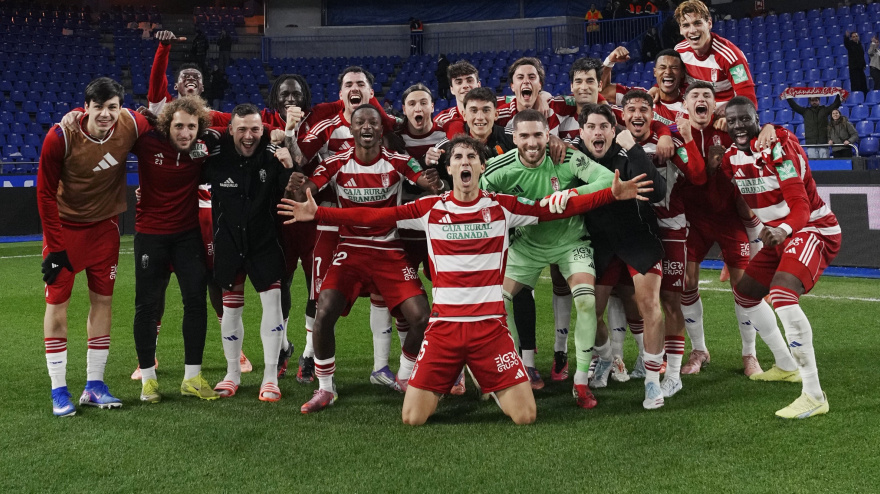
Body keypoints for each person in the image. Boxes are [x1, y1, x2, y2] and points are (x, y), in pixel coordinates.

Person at [278, 135, 654, 425]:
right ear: (449, 169)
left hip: (490, 331)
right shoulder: (429, 209)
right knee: (412, 418)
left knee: (526, 416)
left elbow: (556, 206)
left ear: (480, 166)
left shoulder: (502, 208)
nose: (464, 162)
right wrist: (320, 213)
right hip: (443, 331)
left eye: (471, 157)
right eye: (457, 157)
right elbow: (374, 217)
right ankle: (445, 377)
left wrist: (609, 193)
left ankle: (481, 372)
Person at [290, 104, 441, 414]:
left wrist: (433, 181)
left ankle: (403, 375)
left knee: (423, 318)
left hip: (389, 248)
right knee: (324, 312)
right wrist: (299, 188)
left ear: (381, 129)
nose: (368, 126)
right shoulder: (336, 162)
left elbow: (423, 180)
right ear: (352, 127)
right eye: (361, 122)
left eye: (374, 121)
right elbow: (309, 189)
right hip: (350, 249)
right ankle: (326, 388)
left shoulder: (397, 160)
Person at [711, 96, 841, 419]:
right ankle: (785, 365)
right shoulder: (730, 160)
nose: (740, 125)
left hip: (812, 230)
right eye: (734, 120)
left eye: (746, 118)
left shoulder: (779, 146)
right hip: (777, 237)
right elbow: (746, 201)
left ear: (758, 119)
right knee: (745, 294)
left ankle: (813, 394)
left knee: (782, 296)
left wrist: (783, 230)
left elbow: (802, 206)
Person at [480, 110, 616, 409]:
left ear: (547, 135)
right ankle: (514, 374)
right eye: (525, 136)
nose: (532, 142)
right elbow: (479, 203)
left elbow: (606, 179)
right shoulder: (497, 169)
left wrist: (571, 195)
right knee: (495, 302)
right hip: (527, 245)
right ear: (514, 137)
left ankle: (580, 382)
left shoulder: (567, 157)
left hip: (570, 242)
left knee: (586, 301)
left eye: (538, 135)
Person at [37, 77, 150, 416]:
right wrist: (56, 249)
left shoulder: (130, 123)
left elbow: (160, 123)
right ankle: (59, 389)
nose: (105, 114)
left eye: (112, 107)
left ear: (120, 108)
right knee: (58, 306)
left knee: (103, 302)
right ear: (84, 107)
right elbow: (44, 193)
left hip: (105, 229)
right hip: (65, 231)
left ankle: (95, 384)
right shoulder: (61, 136)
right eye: (98, 107)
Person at [676, 83, 799, 380]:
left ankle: (749, 354)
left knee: (743, 287)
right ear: (686, 103)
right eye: (695, 96)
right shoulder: (676, 134)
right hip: (694, 219)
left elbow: (758, 130)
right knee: (686, 281)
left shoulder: (727, 129)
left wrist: (771, 125)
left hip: (731, 220)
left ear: (715, 103)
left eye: (707, 95)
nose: (701, 100)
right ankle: (700, 350)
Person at [575, 103, 669, 409]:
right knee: (591, 310)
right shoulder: (573, 158)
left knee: (649, 305)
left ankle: (653, 381)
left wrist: (637, 148)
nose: (598, 132)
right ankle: (605, 360)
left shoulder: (628, 153)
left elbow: (657, 192)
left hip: (637, 237)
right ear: (582, 132)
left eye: (604, 126)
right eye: (591, 127)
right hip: (599, 243)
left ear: (614, 131)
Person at [202, 103, 297, 402]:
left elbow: (294, 189)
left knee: (272, 306)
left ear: (264, 130)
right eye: (241, 129)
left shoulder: (274, 156)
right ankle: (232, 373)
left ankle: (270, 378)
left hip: (265, 243)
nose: (248, 136)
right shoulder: (215, 156)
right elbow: (180, 174)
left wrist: (290, 164)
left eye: (255, 129)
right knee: (231, 309)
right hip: (228, 242)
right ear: (229, 130)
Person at [129, 96, 217, 403]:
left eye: (191, 127)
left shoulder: (202, 150)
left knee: (196, 302)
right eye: (178, 125)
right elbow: (120, 127)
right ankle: (148, 380)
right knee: (147, 307)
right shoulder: (146, 142)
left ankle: (192, 377)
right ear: (167, 125)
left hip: (187, 236)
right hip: (150, 236)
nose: (185, 132)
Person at [673, 0, 757, 128]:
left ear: (709, 23)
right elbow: (671, 81)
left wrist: (731, 118)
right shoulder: (679, 52)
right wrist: (657, 87)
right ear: (680, 29)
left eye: (697, 23)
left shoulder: (731, 56)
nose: (692, 30)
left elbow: (747, 97)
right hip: (696, 119)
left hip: (725, 120)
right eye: (686, 25)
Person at [433, 60, 481, 135]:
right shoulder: (442, 121)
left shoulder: (496, 110)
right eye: (459, 82)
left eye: (469, 80)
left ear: (478, 85)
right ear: (452, 89)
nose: (465, 86)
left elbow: (506, 99)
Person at [786, 95, 841, 159]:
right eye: (812, 100)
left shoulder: (825, 110)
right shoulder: (805, 111)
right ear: (810, 102)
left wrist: (838, 94)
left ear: (819, 101)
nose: (814, 102)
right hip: (811, 143)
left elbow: (835, 104)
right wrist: (788, 97)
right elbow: (794, 106)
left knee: (825, 164)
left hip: (823, 142)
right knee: (814, 165)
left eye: (816, 100)